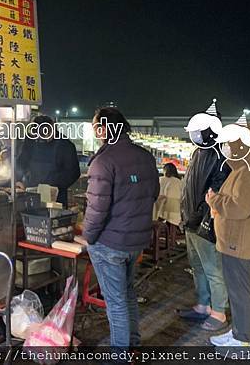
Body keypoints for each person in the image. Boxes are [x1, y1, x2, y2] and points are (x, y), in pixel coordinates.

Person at [83, 107, 160, 352]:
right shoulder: (145, 156)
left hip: (109, 244)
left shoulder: (103, 161)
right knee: (127, 295)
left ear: (105, 128)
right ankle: (132, 345)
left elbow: (96, 209)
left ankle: (120, 354)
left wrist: (88, 237)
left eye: (96, 127)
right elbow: (153, 194)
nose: (95, 132)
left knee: (116, 303)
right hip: (135, 241)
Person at [207, 123, 250, 347]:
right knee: (236, 291)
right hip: (236, 241)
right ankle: (237, 333)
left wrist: (213, 199)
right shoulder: (245, 170)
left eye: (231, 141)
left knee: (239, 291)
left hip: (238, 243)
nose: (226, 146)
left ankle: (241, 340)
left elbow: (240, 206)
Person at [179, 100, 230, 331]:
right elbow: (189, 186)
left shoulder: (222, 155)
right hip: (190, 220)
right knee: (197, 266)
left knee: (213, 269)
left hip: (206, 222)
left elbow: (217, 191)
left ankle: (219, 313)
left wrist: (204, 217)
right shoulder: (199, 152)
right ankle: (203, 305)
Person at [17, 115, 81, 207]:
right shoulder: (30, 141)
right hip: (32, 195)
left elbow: (74, 173)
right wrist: (17, 179)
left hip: (56, 199)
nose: (42, 138)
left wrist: (53, 185)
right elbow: (21, 163)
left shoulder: (65, 145)